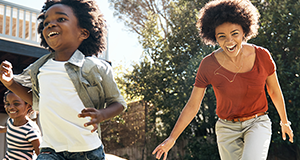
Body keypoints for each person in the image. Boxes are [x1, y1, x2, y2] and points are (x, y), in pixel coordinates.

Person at [152, 0, 294, 160]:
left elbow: (274, 91)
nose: (229, 41)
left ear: (244, 31)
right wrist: (172, 138)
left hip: (257, 122)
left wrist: (284, 121)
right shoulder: (208, 65)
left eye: (235, 33)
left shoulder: (262, 56)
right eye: (222, 36)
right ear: (214, 38)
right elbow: (193, 105)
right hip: (226, 128)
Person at [0, 0, 127, 159]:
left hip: (86, 150)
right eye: (46, 23)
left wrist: (102, 114)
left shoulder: (96, 68)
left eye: (61, 19)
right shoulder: (40, 68)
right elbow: (36, 101)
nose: (50, 25)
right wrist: (10, 83)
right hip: (50, 149)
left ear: (83, 33)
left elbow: (119, 103)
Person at [0, 90, 41, 160]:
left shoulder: (31, 130)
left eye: (16, 104)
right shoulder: (10, 121)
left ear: (28, 106)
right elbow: (9, 129)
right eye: (7, 104)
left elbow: (40, 153)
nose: (10, 107)